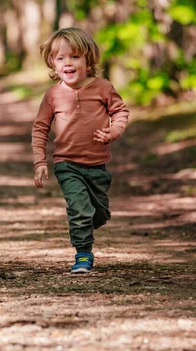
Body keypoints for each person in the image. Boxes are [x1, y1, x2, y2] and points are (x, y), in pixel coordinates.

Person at [31, 27, 130, 274]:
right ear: (52, 63)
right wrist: (40, 161)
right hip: (67, 164)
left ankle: (89, 221)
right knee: (79, 210)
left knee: (99, 213)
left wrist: (113, 131)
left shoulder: (103, 88)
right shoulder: (53, 95)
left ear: (88, 59)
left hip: (97, 165)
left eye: (75, 56)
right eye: (60, 58)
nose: (68, 63)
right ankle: (83, 255)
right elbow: (40, 128)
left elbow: (120, 112)